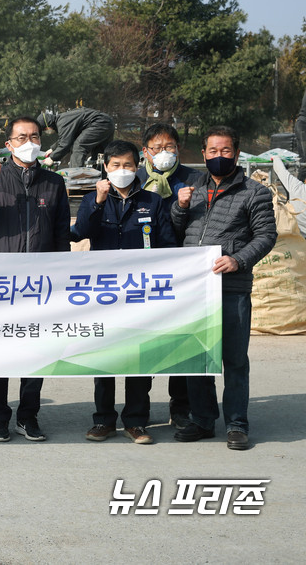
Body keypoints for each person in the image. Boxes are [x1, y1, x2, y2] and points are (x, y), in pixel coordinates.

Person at [170, 126, 277, 451]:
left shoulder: (253, 192)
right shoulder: (193, 188)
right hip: (195, 288)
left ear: (237, 153)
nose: (219, 157)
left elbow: (265, 236)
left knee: (234, 359)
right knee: (197, 356)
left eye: (225, 151)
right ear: (203, 155)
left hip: (231, 286)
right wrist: (180, 207)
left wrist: (238, 260)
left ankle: (236, 424)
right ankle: (203, 420)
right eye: (213, 152)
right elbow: (177, 231)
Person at [0, 116, 70, 442]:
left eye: (35, 137)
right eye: (22, 137)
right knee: (1, 356)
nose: (30, 143)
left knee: (35, 355)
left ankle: (28, 416)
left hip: (40, 286)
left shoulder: (53, 183)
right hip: (3, 285)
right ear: (8, 144)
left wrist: (60, 282)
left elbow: (61, 237)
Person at [72, 140, 176, 445]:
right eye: (115, 165)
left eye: (128, 165)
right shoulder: (95, 199)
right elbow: (79, 233)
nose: (122, 171)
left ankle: (135, 421)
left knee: (138, 359)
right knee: (104, 359)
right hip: (104, 294)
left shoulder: (153, 202)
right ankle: (103, 420)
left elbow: (168, 244)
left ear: (137, 166)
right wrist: (99, 201)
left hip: (139, 293)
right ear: (105, 168)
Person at [135, 123, 203, 430]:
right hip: (141, 275)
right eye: (158, 147)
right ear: (145, 151)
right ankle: (138, 409)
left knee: (180, 342)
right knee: (142, 342)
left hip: (181, 273)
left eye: (170, 147)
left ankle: (181, 407)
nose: (165, 153)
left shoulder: (194, 179)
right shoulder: (133, 179)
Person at [39, 107, 115, 168]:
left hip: (99, 123)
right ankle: (100, 178)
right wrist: (52, 149)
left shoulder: (62, 123)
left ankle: (76, 177)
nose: (46, 132)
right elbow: (67, 138)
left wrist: (52, 158)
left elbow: (65, 143)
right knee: (100, 154)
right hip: (106, 122)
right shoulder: (63, 119)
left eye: (45, 130)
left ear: (48, 126)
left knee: (78, 146)